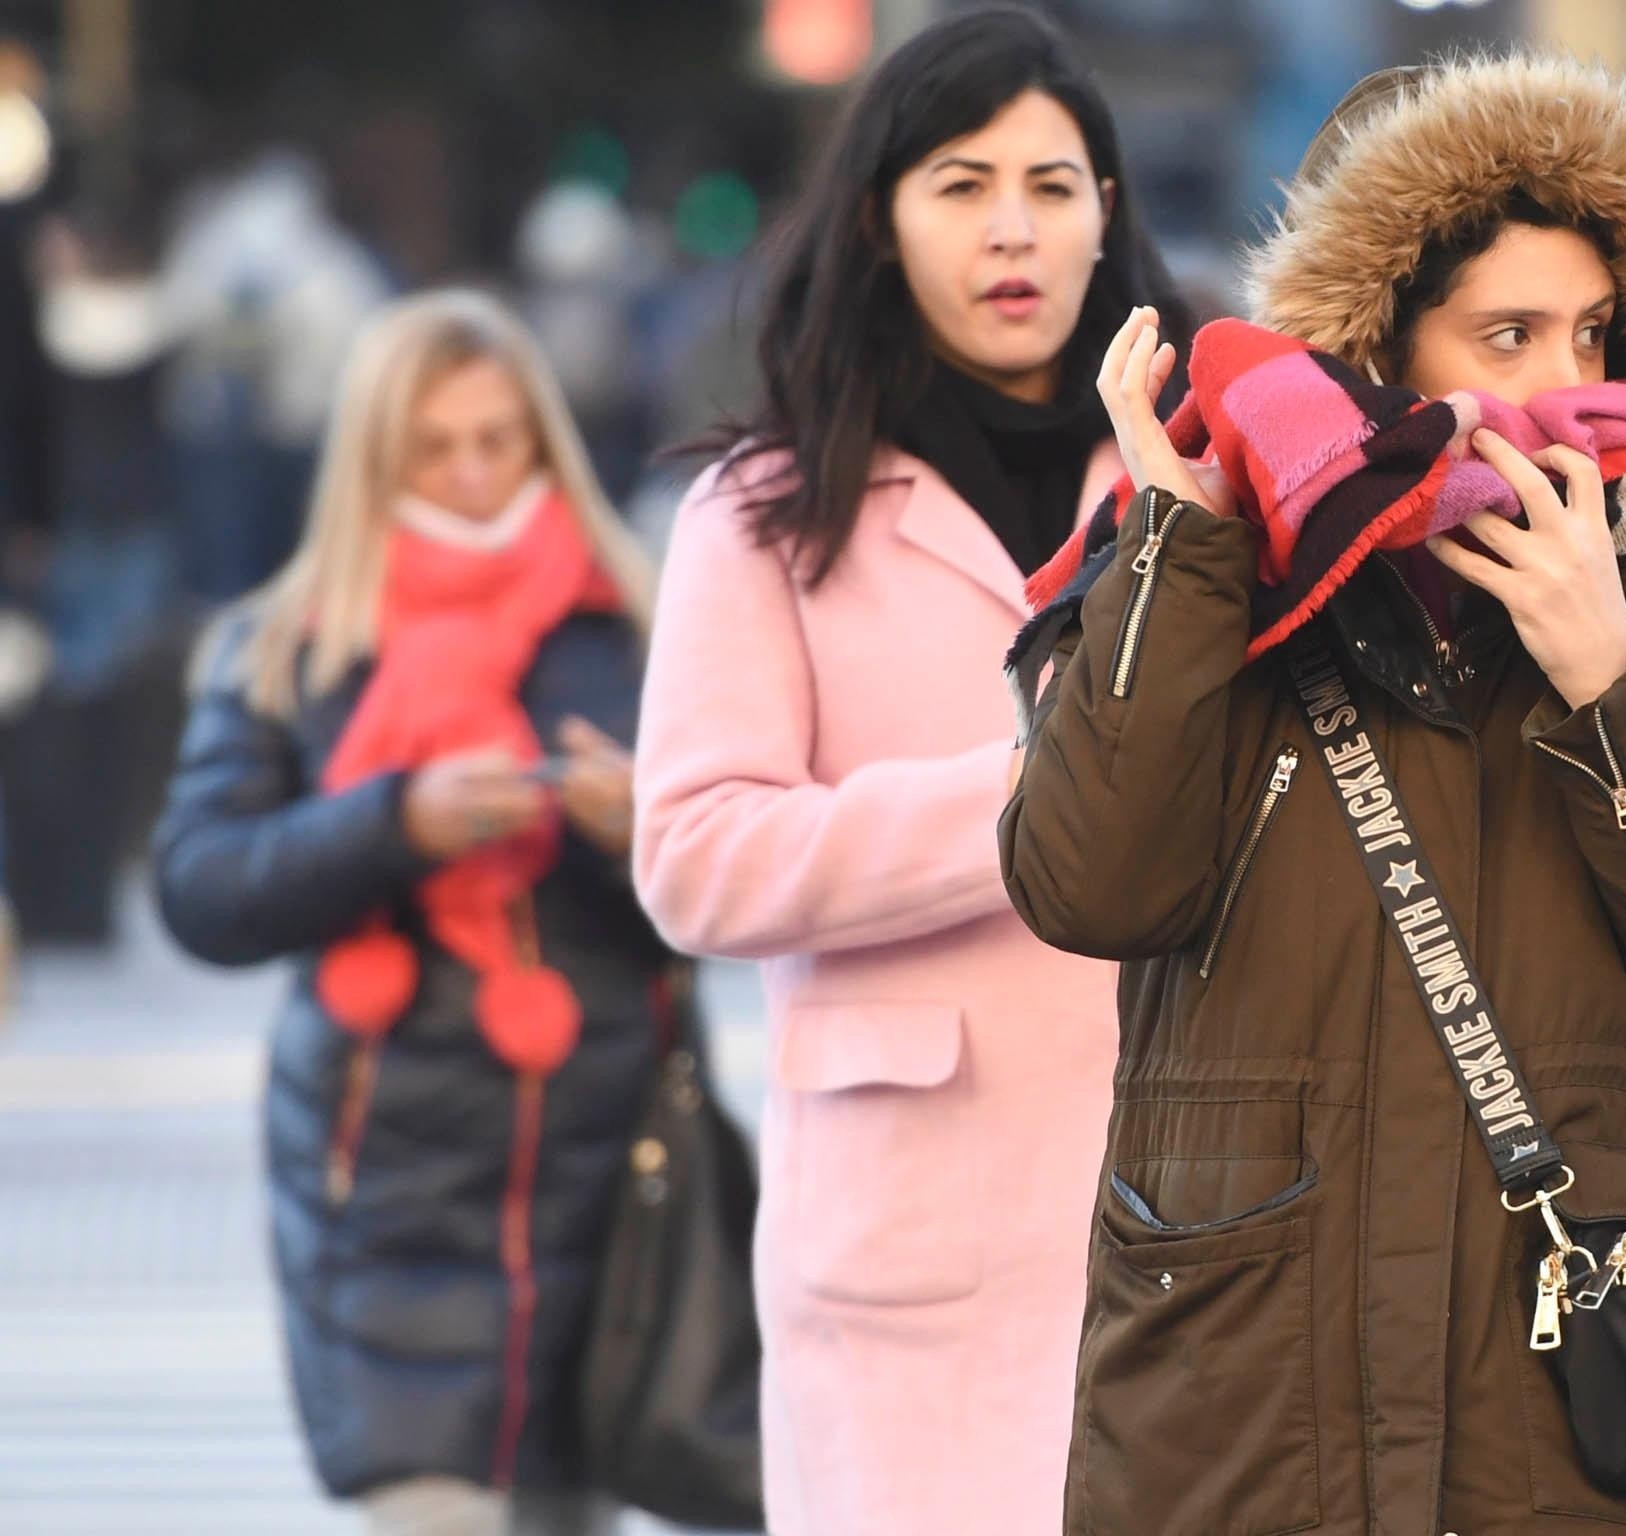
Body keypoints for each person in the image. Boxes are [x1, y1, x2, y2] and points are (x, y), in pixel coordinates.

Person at [1000, 55, 1626, 1533]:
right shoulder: (1206, 598)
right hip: (1249, 1425)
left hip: (1567, 1450)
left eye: (1594, 335)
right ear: (1370, 354)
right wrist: (1188, 553)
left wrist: (1613, 688)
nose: (1565, 387)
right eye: (1504, 334)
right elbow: (1088, 885)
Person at [626, 10, 1190, 1532]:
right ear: (879, 218)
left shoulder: (1200, 487)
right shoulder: (761, 510)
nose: (1012, 227)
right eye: (959, 183)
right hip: (910, 1234)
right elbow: (694, 857)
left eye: (1052, 184)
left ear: (1107, 215)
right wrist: (1024, 802)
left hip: (1197, 1200)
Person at [152, 290, 667, 1536]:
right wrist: (394, 824)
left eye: (505, 439)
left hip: (603, 1182)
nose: (478, 475)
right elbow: (203, 888)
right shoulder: (285, 643)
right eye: (436, 447)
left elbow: (733, 898)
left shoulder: (637, 622)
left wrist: (638, 827)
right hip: (383, 1190)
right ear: (375, 459)